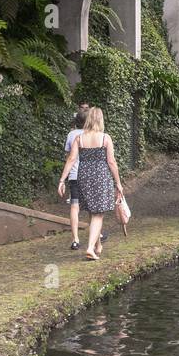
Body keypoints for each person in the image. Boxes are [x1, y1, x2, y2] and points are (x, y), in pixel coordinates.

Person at [58, 107, 124, 261]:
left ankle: (98, 245)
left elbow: (71, 159)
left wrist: (62, 180)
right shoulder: (105, 138)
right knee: (98, 214)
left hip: (83, 176)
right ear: (100, 120)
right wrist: (118, 183)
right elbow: (112, 162)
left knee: (92, 211)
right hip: (101, 176)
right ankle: (89, 248)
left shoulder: (79, 138)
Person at [64, 104, 89, 250]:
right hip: (89, 175)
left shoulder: (71, 135)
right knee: (92, 207)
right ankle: (96, 235)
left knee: (74, 207)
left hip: (74, 175)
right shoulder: (93, 134)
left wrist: (64, 177)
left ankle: (75, 240)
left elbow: (68, 157)